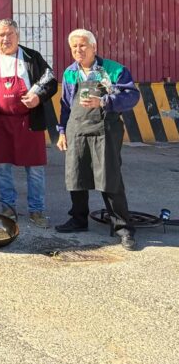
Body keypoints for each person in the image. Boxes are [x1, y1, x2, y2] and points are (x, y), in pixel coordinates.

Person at [55, 29, 139, 250]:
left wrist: (104, 101)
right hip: (76, 129)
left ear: (94, 47)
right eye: (74, 47)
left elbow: (132, 96)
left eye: (83, 45)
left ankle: (123, 228)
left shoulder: (112, 70)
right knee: (76, 174)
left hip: (105, 130)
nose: (78, 50)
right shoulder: (70, 73)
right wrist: (62, 132)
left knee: (109, 176)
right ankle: (78, 219)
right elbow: (65, 105)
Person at [0, 19, 57, 229]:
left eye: (10, 34)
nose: (6, 39)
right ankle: (8, 208)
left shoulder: (31, 57)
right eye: (1, 35)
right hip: (1, 123)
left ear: (17, 35)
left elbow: (50, 81)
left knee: (35, 170)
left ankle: (37, 210)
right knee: (2, 168)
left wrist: (38, 97)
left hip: (29, 122)